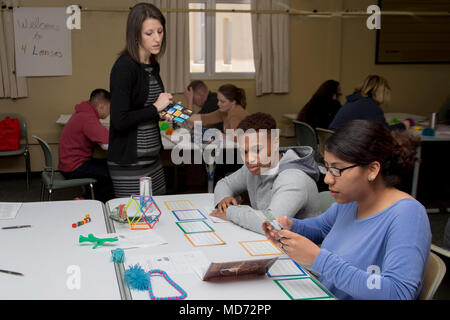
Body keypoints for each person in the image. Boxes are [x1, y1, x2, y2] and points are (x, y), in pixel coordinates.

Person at [263, 120, 431, 300]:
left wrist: (318, 259)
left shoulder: (408, 215)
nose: (328, 179)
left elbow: (398, 293)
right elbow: (321, 228)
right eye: (327, 168)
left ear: (372, 170)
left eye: (337, 170)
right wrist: (290, 226)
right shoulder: (352, 201)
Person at [210, 112, 320, 234]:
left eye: (257, 150)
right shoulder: (255, 166)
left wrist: (230, 211)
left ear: (275, 144)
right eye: (244, 151)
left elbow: (272, 222)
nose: (249, 159)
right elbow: (225, 183)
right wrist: (224, 200)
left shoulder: (294, 178)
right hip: (269, 242)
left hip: (297, 249)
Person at [108, 2, 173, 197]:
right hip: (129, 163)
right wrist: (155, 108)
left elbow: (150, 109)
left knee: (158, 214)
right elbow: (119, 120)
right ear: (136, 35)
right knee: (136, 221)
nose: (157, 38)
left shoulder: (153, 65)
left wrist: (169, 114)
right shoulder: (124, 67)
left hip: (153, 159)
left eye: (160, 32)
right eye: (149, 33)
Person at [59, 88, 114, 202]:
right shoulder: (88, 118)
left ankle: (90, 196)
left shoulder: (83, 113)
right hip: (74, 167)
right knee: (114, 173)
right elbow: (107, 144)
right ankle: (86, 200)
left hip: (69, 163)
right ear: (102, 106)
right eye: (110, 108)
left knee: (107, 165)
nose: (110, 112)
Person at [329, 75, 410, 131]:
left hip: (335, 146)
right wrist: (403, 125)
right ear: (382, 91)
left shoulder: (354, 101)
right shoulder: (369, 105)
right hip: (345, 149)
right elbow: (384, 133)